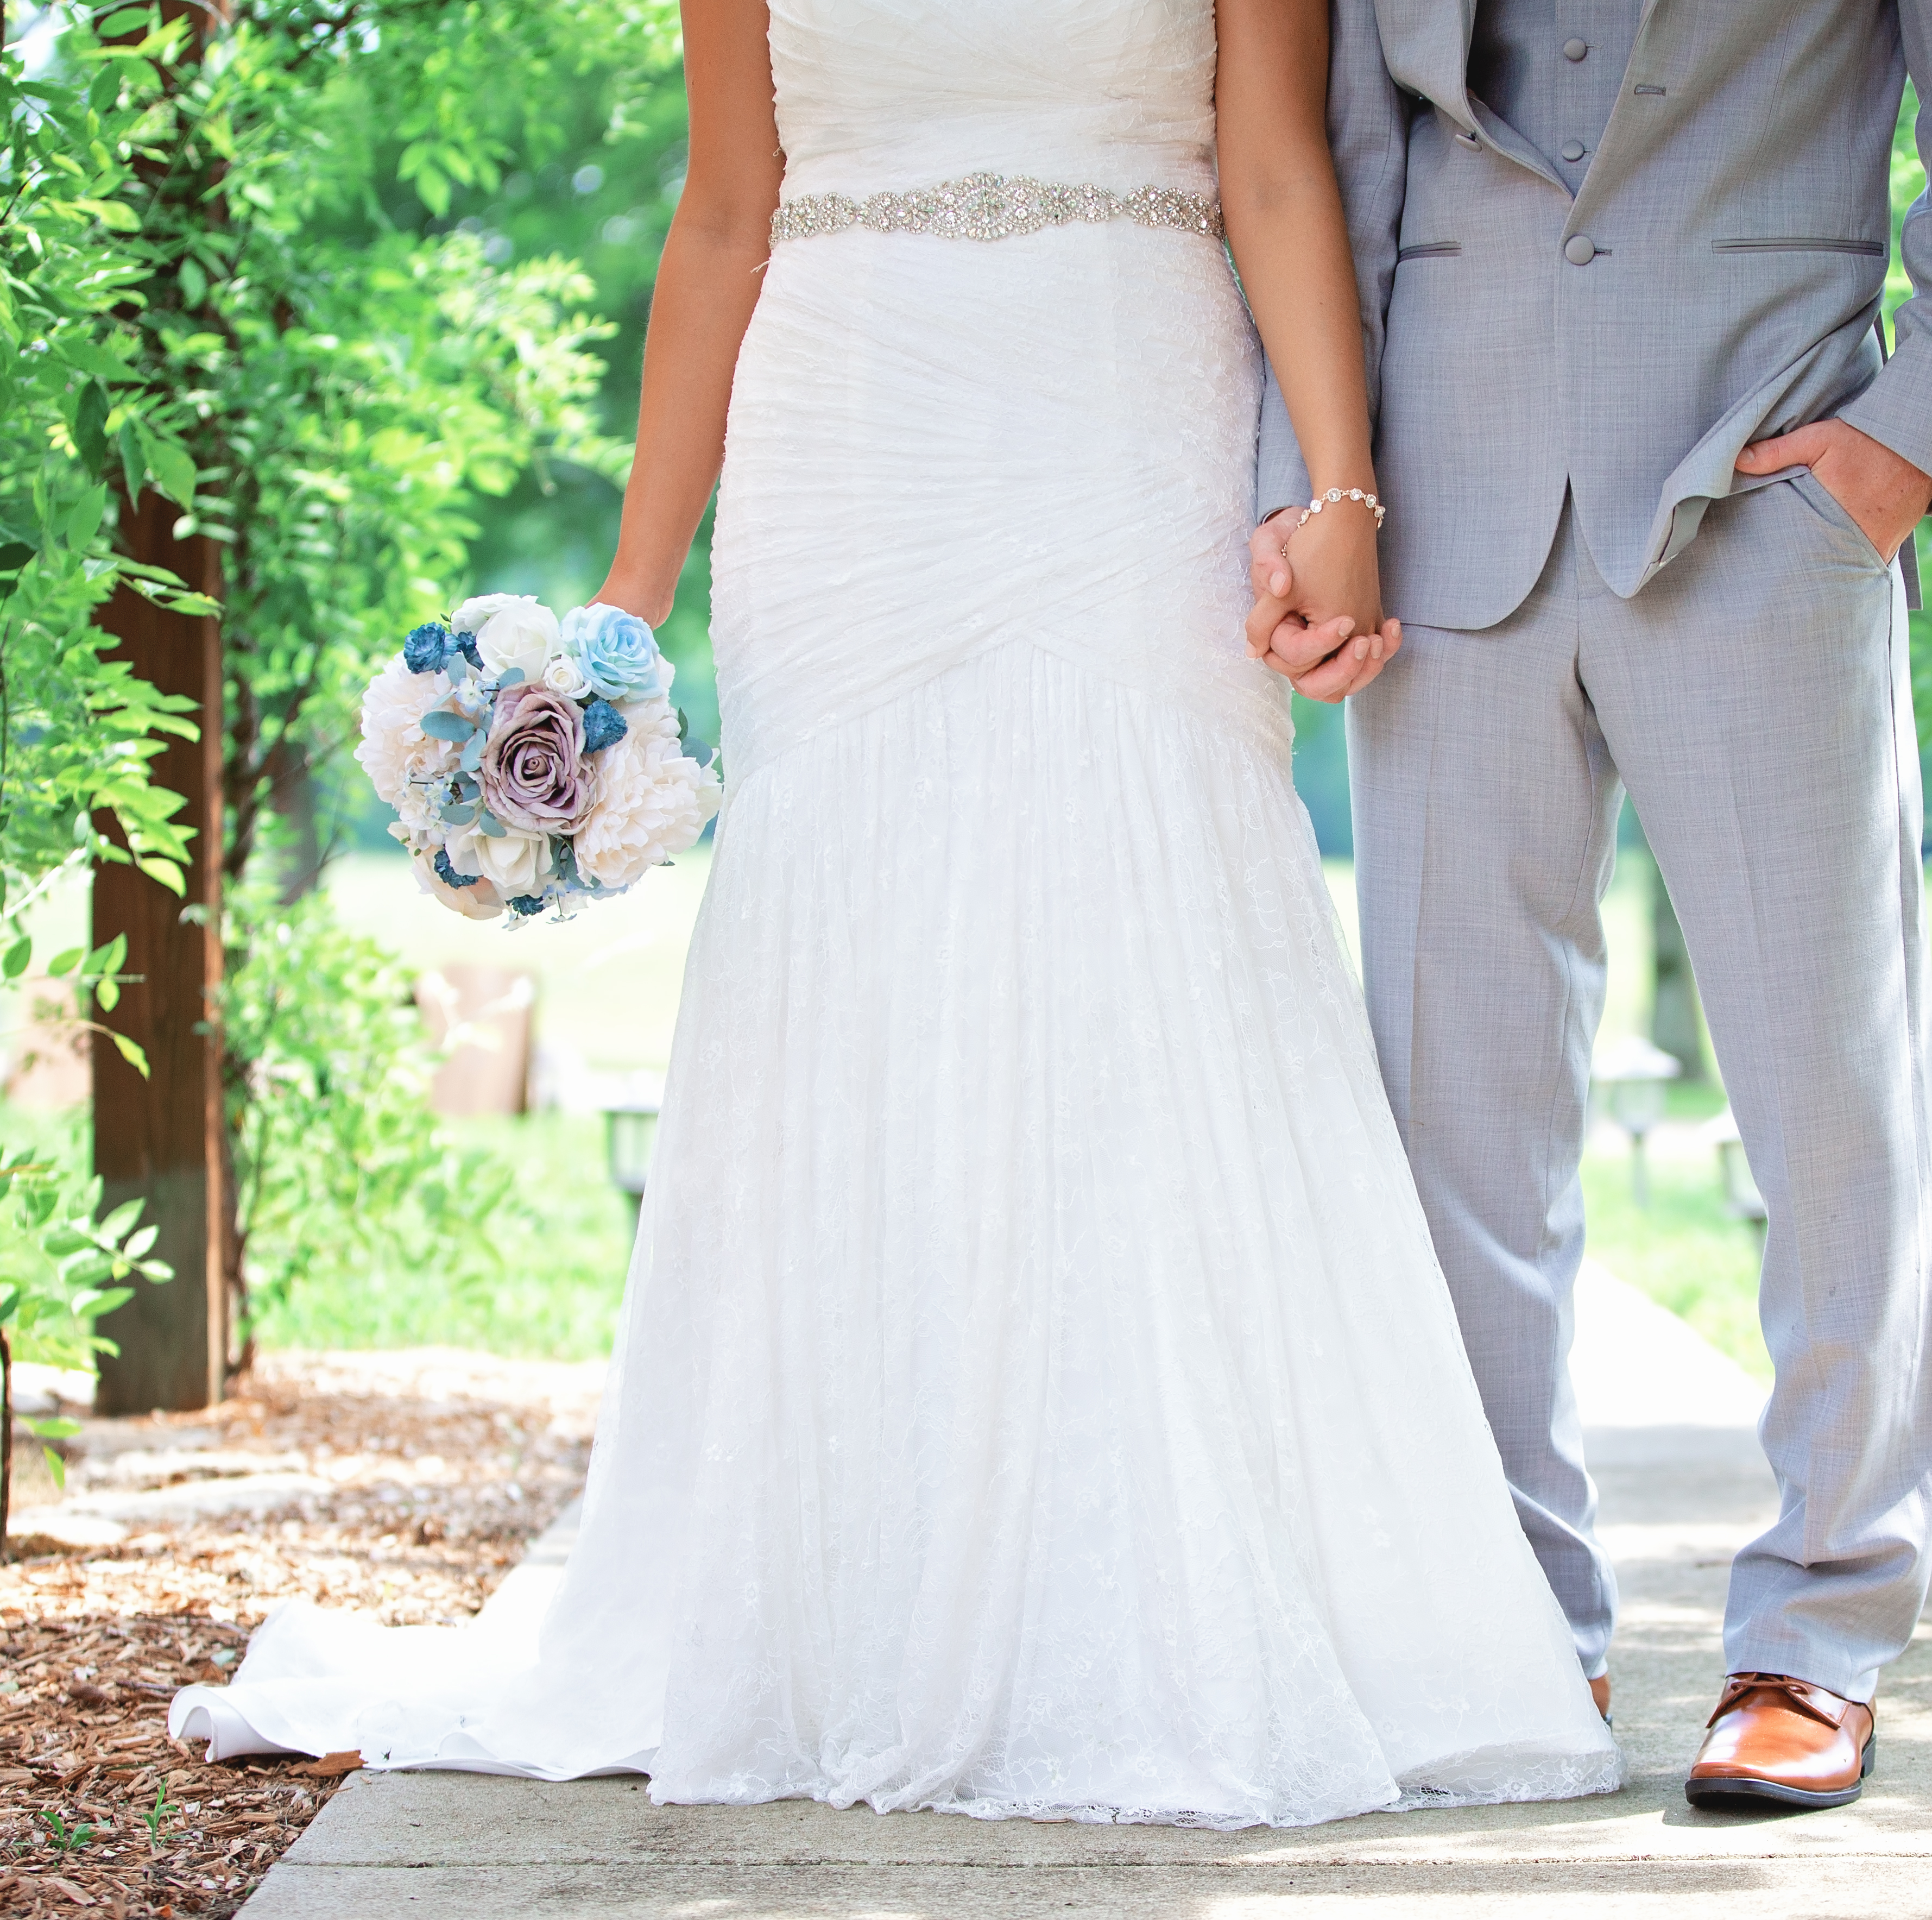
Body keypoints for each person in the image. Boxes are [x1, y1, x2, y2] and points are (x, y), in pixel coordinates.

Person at [170, 0, 1620, 1827]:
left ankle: (1159, 1597)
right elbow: (720, 211)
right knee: (849, 948)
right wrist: (627, 595)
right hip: (848, 432)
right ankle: (843, 1606)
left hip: (1132, 413)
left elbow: (1272, 165)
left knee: (1151, 924)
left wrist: (1339, 490)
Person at [1244, 0, 1932, 1811]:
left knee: (1826, 1094)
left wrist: (1909, 440)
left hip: (1766, 495)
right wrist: (1309, 492)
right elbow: (1341, 158)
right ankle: (1518, 1619)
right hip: (1445, 521)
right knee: (1458, 1120)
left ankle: (1819, 1630)